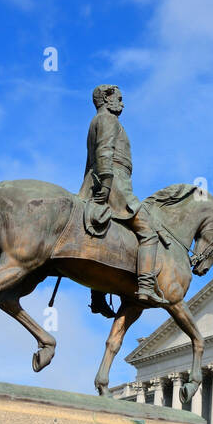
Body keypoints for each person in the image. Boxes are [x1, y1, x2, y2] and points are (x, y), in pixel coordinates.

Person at [80, 84, 168, 307]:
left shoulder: (95, 122)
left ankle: (97, 296)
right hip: (114, 182)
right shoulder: (109, 120)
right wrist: (108, 186)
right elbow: (104, 152)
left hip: (96, 181)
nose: (122, 103)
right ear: (107, 98)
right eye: (119, 98)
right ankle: (147, 285)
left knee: (103, 236)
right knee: (148, 232)